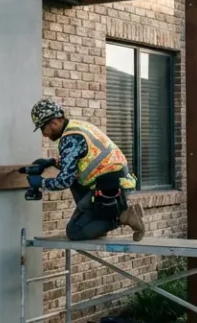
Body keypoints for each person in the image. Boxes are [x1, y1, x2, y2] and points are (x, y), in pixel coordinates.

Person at [26, 99, 146, 241]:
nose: (43, 134)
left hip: (110, 186)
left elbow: (64, 181)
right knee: (75, 180)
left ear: (54, 122)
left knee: (74, 232)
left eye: (42, 128)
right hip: (114, 181)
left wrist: (41, 182)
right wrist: (50, 162)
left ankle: (123, 217)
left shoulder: (70, 138)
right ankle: (96, 225)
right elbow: (79, 162)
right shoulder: (76, 127)